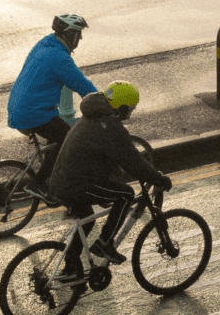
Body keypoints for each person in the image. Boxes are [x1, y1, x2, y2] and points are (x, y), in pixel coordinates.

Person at [49, 81, 172, 265]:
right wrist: (157, 178)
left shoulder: (95, 114)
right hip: (76, 184)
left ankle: (71, 269)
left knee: (87, 220)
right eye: (131, 108)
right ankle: (104, 243)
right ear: (121, 107)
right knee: (125, 195)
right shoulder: (110, 127)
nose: (131, 112)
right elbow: (133, 161)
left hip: (63, 179)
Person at [7, 14, 98, 202]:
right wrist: (101, 102)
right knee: (67, 138)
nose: (80, 38)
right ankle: (38, 184)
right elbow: (81, 85)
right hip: (33, 112)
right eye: (78, 33)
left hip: (20, 106)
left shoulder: (46, 43)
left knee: (57, 137)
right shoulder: (59, 57)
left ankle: (54, 185)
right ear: (70, 34)